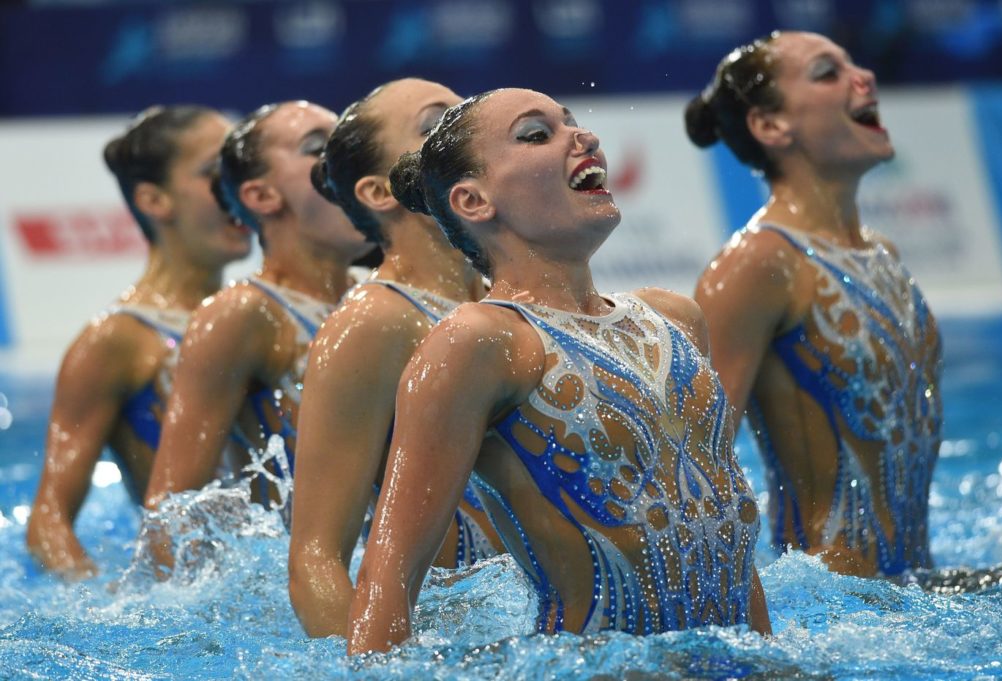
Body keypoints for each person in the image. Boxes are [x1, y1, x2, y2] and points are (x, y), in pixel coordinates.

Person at [347, 88, 771, 654]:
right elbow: (391, 571)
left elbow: (728, 538)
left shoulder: (675, 319)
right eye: (535, 134)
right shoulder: (482, 341)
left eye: (572, 123)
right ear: (474, 201)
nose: (584, 137)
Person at [687, 32, 942, 578]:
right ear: (771, 125)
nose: (864, 77)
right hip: (836, 605)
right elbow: (694, 468)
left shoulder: (881, 251)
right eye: (828, 73)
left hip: (918, 585)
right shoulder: (755, 266)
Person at [288, 79, 505, 638]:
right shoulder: (375, 321)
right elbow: (315, 557)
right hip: (451, 637)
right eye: (437, 127)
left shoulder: (507, 304)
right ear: (382, 192)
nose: (461, 137)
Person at [26, 106, 253, 578]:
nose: (236, 188)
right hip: (196, 601)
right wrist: (104, 607)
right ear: (154, 200)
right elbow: (48, 521)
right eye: (215, 172)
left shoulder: (260, 318)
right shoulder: (116, 341)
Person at [143, 101, 371, 519]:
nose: (345, 161)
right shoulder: (242, 315)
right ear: (263, 196)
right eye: (319, 148)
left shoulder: (382, 300)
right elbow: (171, 513)